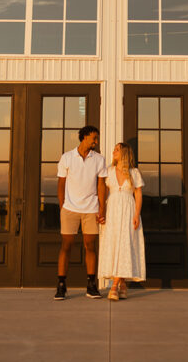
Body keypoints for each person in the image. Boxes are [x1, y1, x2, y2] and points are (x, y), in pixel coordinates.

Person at [55, 125, 108, 300]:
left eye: (96, 138)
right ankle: (61, 286)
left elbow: (101, 185)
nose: (96, 141)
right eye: (94, 138)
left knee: (90, 247)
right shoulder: (67, 157)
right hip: (70, 209)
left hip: (91, 209)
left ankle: (91, 286)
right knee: (66, 246)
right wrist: (63, 205)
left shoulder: (99, 159)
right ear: (84, 137)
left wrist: (102, 208)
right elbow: (61, 183)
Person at [98, 142, 146, 300]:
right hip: (112, 212)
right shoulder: (109, 171)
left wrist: (137, 215)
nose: (114, 151)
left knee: (125, 245)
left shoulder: (134, 172)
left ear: (124, 153)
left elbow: (138, 194)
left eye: (117, 149)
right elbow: (103, 194)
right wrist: (102, 212)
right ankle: (123, 285)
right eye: (114, 149)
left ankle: (114, 287)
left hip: (128, 211)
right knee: (114, 244)